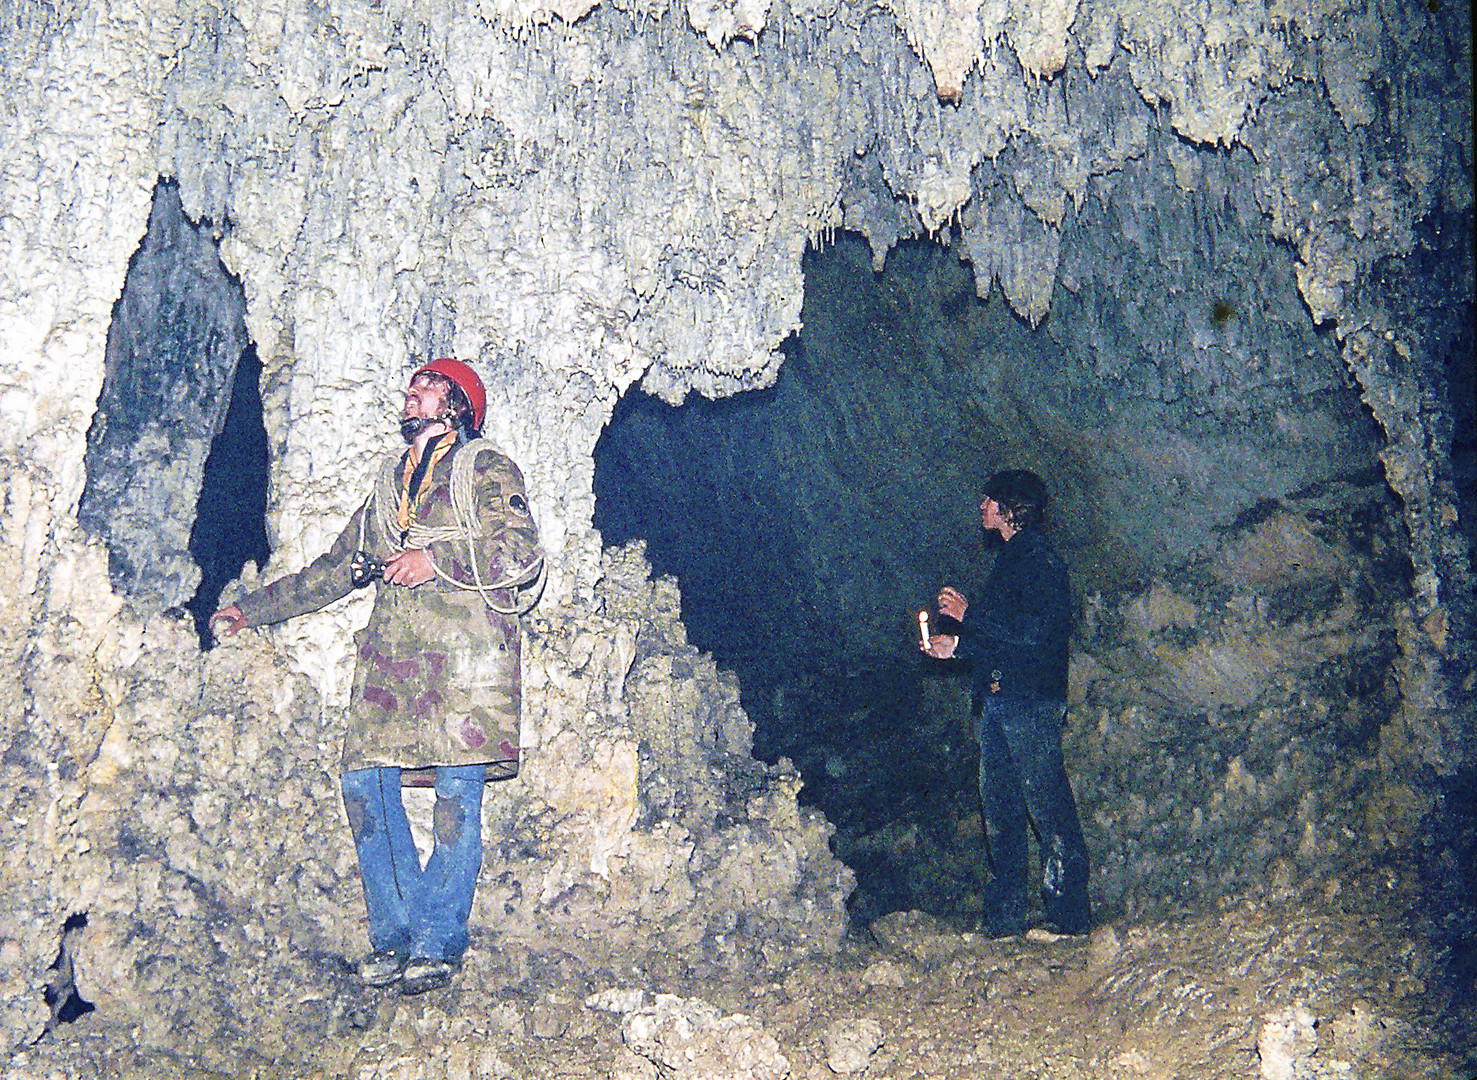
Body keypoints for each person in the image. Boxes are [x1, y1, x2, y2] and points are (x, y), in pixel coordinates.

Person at [212, 359, 544, 993]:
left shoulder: (485, 468)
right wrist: (250, 611)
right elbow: (336, 568)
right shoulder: (391, 485)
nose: (411, 392)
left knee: (455, 796)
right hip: (394, 660)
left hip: (466, 661)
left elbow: (521, 548)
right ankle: (395, 938)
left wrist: (437, 559)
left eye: (427, 386)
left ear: (457, 404)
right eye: (411, 384)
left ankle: (437, 942)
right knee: (363, 782)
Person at [921, 469, 1090, 936]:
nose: (981, 507)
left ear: (1010, 508)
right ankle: (1004, 919)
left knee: (1046, 802)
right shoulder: (1011, 560)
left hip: (1029, 699)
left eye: (988, 500)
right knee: (1000, 808)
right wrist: (956, 648)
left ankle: (1069, 916)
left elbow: (1033, 632)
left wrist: (969, 614)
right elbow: (1003, 639)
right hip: (1000, 700)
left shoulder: (1040, 561)